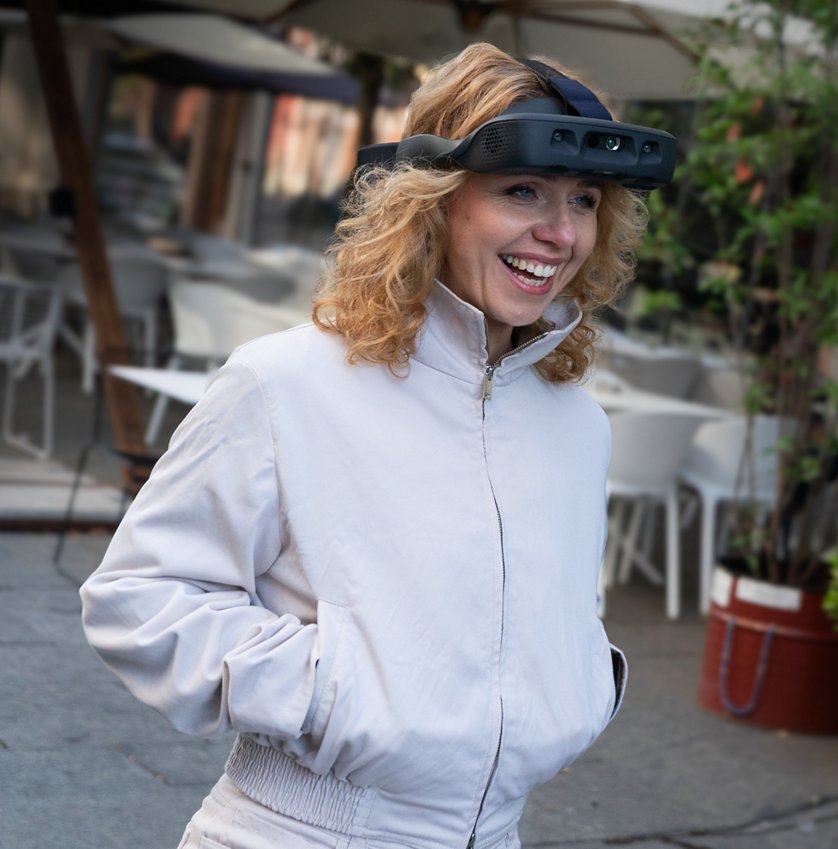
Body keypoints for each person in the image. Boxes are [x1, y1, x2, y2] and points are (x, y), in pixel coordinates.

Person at [79, 43, 673, 849]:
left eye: (584, 200)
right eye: (522, 190)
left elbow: (560, 611)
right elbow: (139, 596)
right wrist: (328, 695)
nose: (559, 232)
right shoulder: (285, 382)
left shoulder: (577, 423)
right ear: (433, 200)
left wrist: (575, 688)